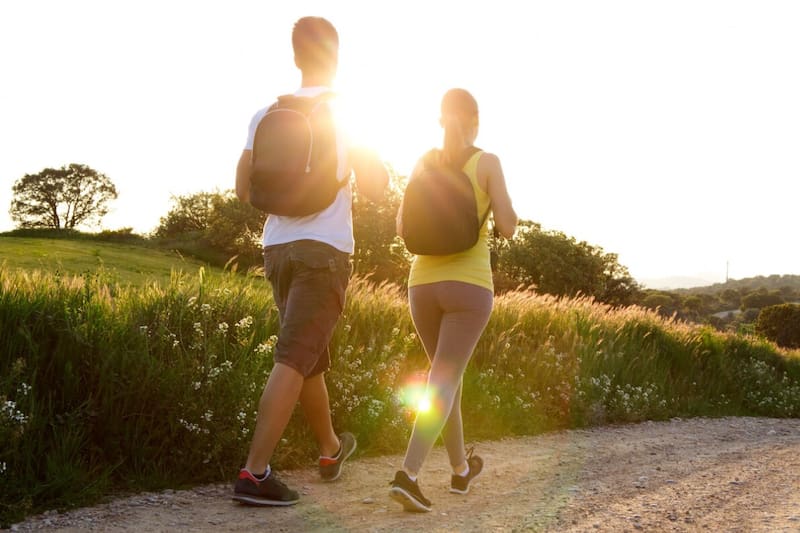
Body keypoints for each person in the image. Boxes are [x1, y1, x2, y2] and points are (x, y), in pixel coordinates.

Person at [232, 16, 389, 506]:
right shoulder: (346, 117)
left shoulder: (265, 114)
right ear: (336, 59)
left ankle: (329, 449)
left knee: (308, 360)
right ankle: (254, 474)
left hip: (276, 247)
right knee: (294, 357)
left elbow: (243, 188)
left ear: (297, 58)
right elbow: (378, 188)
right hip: (324, 250)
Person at [390, 88, 518, 512]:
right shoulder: (488, 162)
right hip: (468, 286)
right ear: (475, 121)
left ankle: (461, 470)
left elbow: (401, 223)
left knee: (447, 381)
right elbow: (509, 226)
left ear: (442, 120)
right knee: (442, 381)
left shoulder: (423, 161)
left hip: (421, 284)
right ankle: (407, 475)